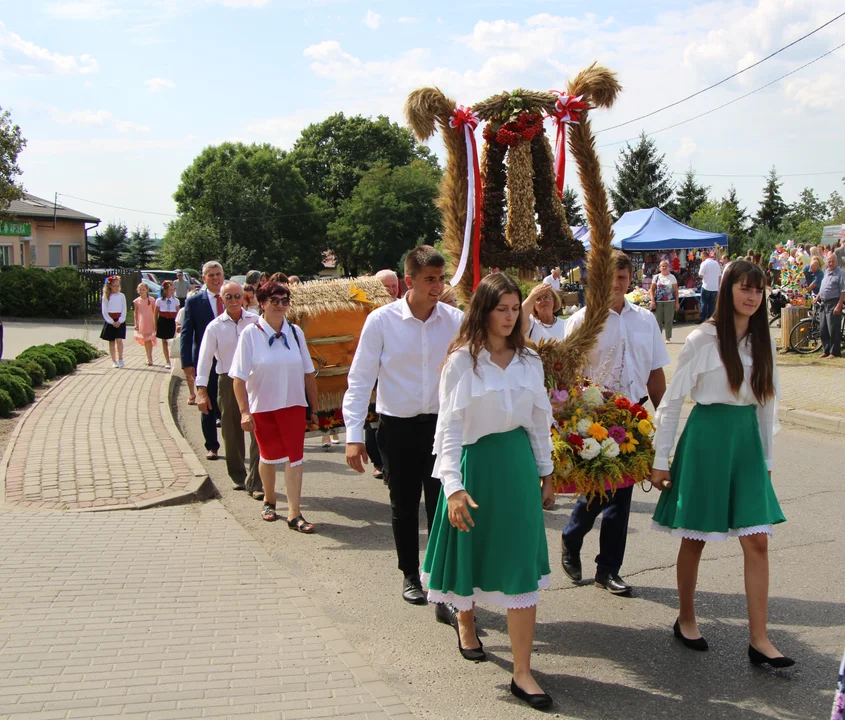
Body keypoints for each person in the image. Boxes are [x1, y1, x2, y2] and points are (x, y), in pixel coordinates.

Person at [422, 273, 555, 708]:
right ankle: (466, 620)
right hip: (475, 467)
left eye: (516, 308)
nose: (510, 316)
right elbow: (448, 429)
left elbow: (538, 420)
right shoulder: (463, 360)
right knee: (472, 554)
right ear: (483, 310)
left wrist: (546, 470)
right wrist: (453, 487)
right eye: (502, 309)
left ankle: (522, 672)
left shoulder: (529, 361)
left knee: (519, 567)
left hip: (516, 467)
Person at [650, 260, 792, 667]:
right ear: (727, 289)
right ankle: (687, 617)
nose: (751, 296)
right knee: (694, 535)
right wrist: (662, 459)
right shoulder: (701, 339)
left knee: (758, 539)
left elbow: (766, 405)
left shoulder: (764, 342)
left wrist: (766, 460)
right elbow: (674, 401)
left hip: (746, 443)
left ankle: (759, 639)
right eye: (744, 288)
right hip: (707, 440)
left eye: (758, 290)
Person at [343, 246, 463, 605]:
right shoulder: (381, 321)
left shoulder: (454, 320)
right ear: (408, 281)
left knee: (443, 503)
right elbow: (360, 379)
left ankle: (441, 573)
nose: (437, 286)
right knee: (404, 505)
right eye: (430, 279)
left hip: (442, 429)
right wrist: (353, 436)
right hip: (397, 429)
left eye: (441, 279)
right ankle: (411, 574)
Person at [560, 251, 669, 594]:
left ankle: (607, 569)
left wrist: (664, 416)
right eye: (611, 277)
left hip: (634, 415)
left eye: (623, 277)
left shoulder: (645, 320)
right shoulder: (581, 321)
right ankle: (573, 535)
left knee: (621, 495)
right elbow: (569, 375)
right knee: (601, 487)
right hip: (596, 417)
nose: (617, 284)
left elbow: (654, 370)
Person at [230, 282, 319, 529]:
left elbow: (308, 374)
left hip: (293, 405)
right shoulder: (250, 334)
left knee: (295, 458)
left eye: (284, 300)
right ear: (262, 303)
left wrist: (313, 410)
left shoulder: (296, 332)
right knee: (268, 457)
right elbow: (238, 378)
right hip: (263, 406)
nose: (280, 305)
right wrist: (244, 412)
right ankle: (269, 499)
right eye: (274, 300)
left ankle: (294, 514)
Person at [196, 282, 261, 497]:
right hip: (227, 378)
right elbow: (204, 360)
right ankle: (238, 475)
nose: (233, 300)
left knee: (258, 427)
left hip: (254, 379)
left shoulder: (256, 321)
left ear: (244, 297)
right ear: (221, 300)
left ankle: (257, 479)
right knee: (231, 429)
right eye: (228, 297)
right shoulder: (215, 326)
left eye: (237, 296)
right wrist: (201, 390)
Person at [181, 261, 227, 460]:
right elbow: (186, 333)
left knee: (228, 404)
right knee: (206, 402)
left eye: (218, 274)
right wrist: (187, 363)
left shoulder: (231, 297)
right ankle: (212, 445)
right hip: (205, 361)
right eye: (211, 275)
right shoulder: (194, 302)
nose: (216, 278)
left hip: (229, 360)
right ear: (204, 278)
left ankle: (234, 445)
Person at [817, 252, 845, 359]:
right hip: (823, 303)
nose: (831, 263)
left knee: (833, 328)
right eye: (829, 261)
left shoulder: (841, 273)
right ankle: (826, 350)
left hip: (833, 302)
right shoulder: (826, 272)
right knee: (823, 328)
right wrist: (818, 296)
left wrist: (839, 305)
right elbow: (824, 287)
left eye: (833, 261)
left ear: (837, 262)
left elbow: (843, 291)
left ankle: (835, 352)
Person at [650, 260, 680, 343]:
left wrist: (677, 302)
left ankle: (668, 338)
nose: (664, 267)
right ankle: (658, 338)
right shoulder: (656, 277)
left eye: (665, 266)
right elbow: (652, 290)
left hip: (670, 302)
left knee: (668, 320)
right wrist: (653, 301)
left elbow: (676, 291)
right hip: (658, 302)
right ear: (660, 268)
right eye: (662, 266)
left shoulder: (672, 277)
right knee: (658, 320)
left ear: (668, 267)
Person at [100, 275, 126, 368]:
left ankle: (120, 359)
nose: (116, 288)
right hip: (110, 320)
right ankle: (114, 361)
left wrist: (120, 320)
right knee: (111, 341)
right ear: (110, 286)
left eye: (118, 286)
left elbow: (124, 309)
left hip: (120, 320)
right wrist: (111, 321)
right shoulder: (106, 296)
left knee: (119, 340)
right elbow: (104, 310)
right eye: (114, 286)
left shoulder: (121, 296)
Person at [155, 281, 179, 369]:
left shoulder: (176, 300)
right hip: (163, 320)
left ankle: (173, 360)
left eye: (173, 290)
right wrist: (155, 325)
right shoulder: (159, 301)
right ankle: (167, 361)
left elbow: (178, 313)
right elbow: (156, 313)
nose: (172, 291)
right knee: (164, 341)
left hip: (172, 321)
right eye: (170, 290)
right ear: (165, 290)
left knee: (172, 341)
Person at [133, 283, 157, 366]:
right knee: (146, 340)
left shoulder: (152, 300)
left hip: (150, 321)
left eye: (143, 289)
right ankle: (148, 356)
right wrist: (136, 323)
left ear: (147, 290)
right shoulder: (137, 301)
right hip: (142, 321)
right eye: (140, 290)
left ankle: (149, 357)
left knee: (149, 339)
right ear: (137, 290)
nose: (141, 291)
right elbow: (136, 313)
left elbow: (154, 311)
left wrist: (155, 322)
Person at [698, 251, 721, 322]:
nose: (701, 258)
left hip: (706, 286)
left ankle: (702, 318)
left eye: (701, 257)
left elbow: (700, 274)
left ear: (704, 255)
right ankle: (711, 318)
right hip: (715, 287)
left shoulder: (704, 263)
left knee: (704, 302)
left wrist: (705, 276)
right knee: (712, 304)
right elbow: (719, 276)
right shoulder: (716, 263)